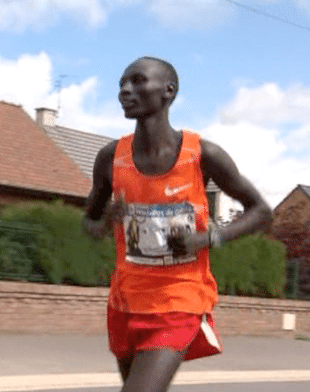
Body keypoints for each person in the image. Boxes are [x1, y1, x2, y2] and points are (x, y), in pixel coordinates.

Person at [82, 56, 272, 392]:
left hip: (179, 300)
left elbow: (260, 211)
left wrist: (210, 237)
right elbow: (90, 224)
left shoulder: (203, 155)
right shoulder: (110, 158)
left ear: (168, 91)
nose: (125, 90)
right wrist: (106, 221)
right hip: (126, 303)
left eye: (138, 81)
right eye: (122, 84)